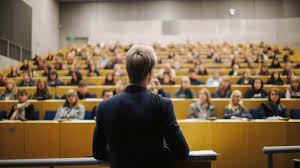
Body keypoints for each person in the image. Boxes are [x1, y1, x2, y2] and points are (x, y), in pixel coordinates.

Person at [93, 45, 189, 168]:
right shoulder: (163, 104)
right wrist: (160, 153)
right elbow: (182, 152)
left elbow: (98, 152)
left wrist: (120, 156)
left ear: (127, 71)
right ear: (150, 73)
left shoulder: (105, 106)